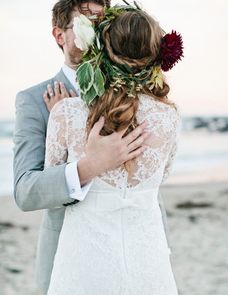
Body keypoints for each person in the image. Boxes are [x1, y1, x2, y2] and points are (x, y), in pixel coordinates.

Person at [46, 4, 183, 295]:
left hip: (84, 262)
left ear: (100, 49)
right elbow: (163, 176)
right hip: (148, 259)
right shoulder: (168, 116)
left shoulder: (67, 113)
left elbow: (53, 196)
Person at [13, 1, 149, 294]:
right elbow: (25, 191)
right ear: (59, 35)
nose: (98, 30)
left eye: (103, 21)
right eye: (86, 22)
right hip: (69, 255)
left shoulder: (136, 91)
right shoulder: (34, 101)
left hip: (131, 249)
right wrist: (89, 165)